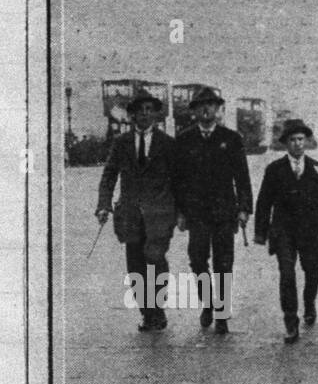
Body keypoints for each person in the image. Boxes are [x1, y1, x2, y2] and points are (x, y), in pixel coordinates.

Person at [95, 93, 181, 331]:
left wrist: (180, 212)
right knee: (135, 267)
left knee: (155, 259)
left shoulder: (168, 144)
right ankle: (147, 313)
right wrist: (103, 204)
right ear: (132, 114)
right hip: (131, 216)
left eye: (149, 109)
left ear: (155, 113)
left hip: (159, 216)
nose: (144, 113)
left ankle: (158, 309)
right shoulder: (121, 143)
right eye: (140, 109)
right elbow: (109, 175)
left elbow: (179, 181)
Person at [253, 120, 318, 344]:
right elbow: (264, 202)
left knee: (312, 271)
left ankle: (310, 304)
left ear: (306, 141)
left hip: (311, 230)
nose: (297, 144)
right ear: (286, 143)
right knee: (287, 274)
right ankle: (290, 321)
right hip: (284, 230)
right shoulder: (274, 169)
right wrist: (260, 233)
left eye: (301, 139)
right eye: (292, 140)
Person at [174, 86, 252, 334]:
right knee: (197, 261)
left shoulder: (231, 139)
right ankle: (208, 302)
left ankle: (222, 313)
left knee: (224, 264)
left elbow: (242, 178)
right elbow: (178, 180)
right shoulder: (184, 140)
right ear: (195, 112)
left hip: (224, 212)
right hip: (196, 214)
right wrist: (180, 212)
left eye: (211, 105)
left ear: (218, 110)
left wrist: (244, 208)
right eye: (201, 106)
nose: (207, 109)